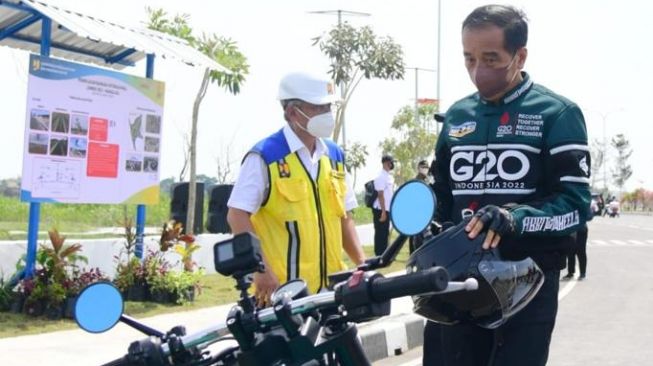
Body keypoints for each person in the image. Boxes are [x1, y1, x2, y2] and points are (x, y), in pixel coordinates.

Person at [425, 5, 591, 366]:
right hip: (457, 279)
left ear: (520, 55)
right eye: (468, 58)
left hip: (526, 281)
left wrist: (516, 218)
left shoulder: (557, 114)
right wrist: (425, 214)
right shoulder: (456, 115)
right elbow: (442, 190)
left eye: (491, 59)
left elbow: (576, 206)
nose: (478, 71)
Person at [226, 71, 366, 307]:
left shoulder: (334, 155)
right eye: (319, 108)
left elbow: (344, 218)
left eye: (328, 108)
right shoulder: (265, 156)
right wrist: (261, 270)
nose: (327, 115)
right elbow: (237, 215)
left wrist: (363, 264)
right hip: (283, 297)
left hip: (331, 294)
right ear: (292, 112)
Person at [371, 154, 395, 256]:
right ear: (386, 163)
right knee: (380, 232)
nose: (392, 164)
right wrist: (383, 212)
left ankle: (384, 253)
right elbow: (380, 195)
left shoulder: (389, 177)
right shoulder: (380, 177)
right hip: (380, 209)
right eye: (390, 162)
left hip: (387, 209)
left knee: (385, 232)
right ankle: (379, 254)